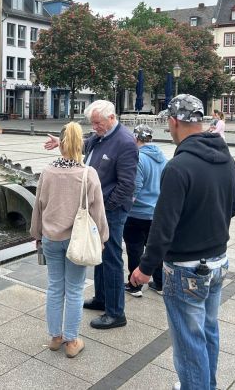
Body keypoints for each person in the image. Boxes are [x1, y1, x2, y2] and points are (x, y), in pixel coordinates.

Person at [130, 94, 235, 390]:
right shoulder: (227, 159)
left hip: (186, 268)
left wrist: (145, 268)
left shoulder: (178, 167)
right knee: (208, 330)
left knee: (189, 341)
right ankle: (206, 384)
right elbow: (233, 208)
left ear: (174, 122)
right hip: (218, 261)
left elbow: (163, 226)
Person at [45, 100, 138, 329]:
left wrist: (105, 208)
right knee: (97, 254)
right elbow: (85, 144)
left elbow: (127, 185)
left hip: (111, 211)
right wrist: (62, 142)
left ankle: (116, 313)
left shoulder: (125, 142)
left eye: (97, 123)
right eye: (92, 123)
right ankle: (101, 298)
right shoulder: (101, 136)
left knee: (112, 258)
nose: (94, 127)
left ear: (111, 118)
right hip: (97, 208)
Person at [32, 122, 108, 358]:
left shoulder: (47, 172)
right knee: (74, 290)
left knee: (55, 287)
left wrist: (37, 234)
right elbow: (98, 211)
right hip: (78, 240)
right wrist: (102, 238)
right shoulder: (88, 173)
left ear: (61, 144)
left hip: (51, 238)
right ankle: (72, 341)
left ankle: (56, 337)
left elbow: (38, 206)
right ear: (80, 145)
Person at [123, 124, 167, 297]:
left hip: (137, 213)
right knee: (154, 250)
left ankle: (135, 286)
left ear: (136, 138)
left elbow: (134, 187)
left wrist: (125, 206)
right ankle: (160, 283)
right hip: (156, 213)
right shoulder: (162, 158)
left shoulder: (138, 158)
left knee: (135, 250)